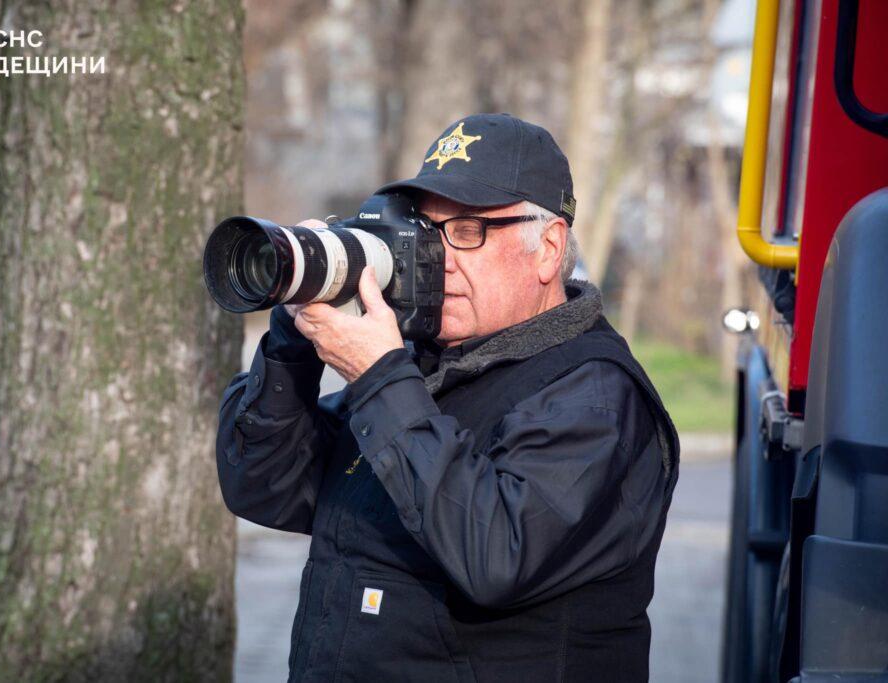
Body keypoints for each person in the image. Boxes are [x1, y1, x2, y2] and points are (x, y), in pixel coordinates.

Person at [215, 113, 679, 682]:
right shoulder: (426, 372)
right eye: (428, 232)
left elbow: (495, 556)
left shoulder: (596, 398)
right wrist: (292, 345)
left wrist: (379, 376)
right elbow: (265, 487)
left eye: (466, 232)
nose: (439, 257)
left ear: (547, 249)